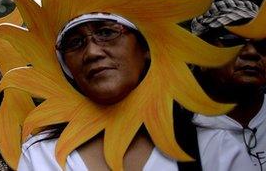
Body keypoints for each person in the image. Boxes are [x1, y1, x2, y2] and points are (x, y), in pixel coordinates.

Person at [18, 14, 178, 170]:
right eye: (75, 42)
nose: (92, 53)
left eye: (106, 32)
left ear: (145, 47)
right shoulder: (40, 154)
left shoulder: (192, 134)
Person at [191, 0, 266, 171]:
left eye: (263, 43)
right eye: (232, 40)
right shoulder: (181, 133)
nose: (252, 52)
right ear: (200, 55)